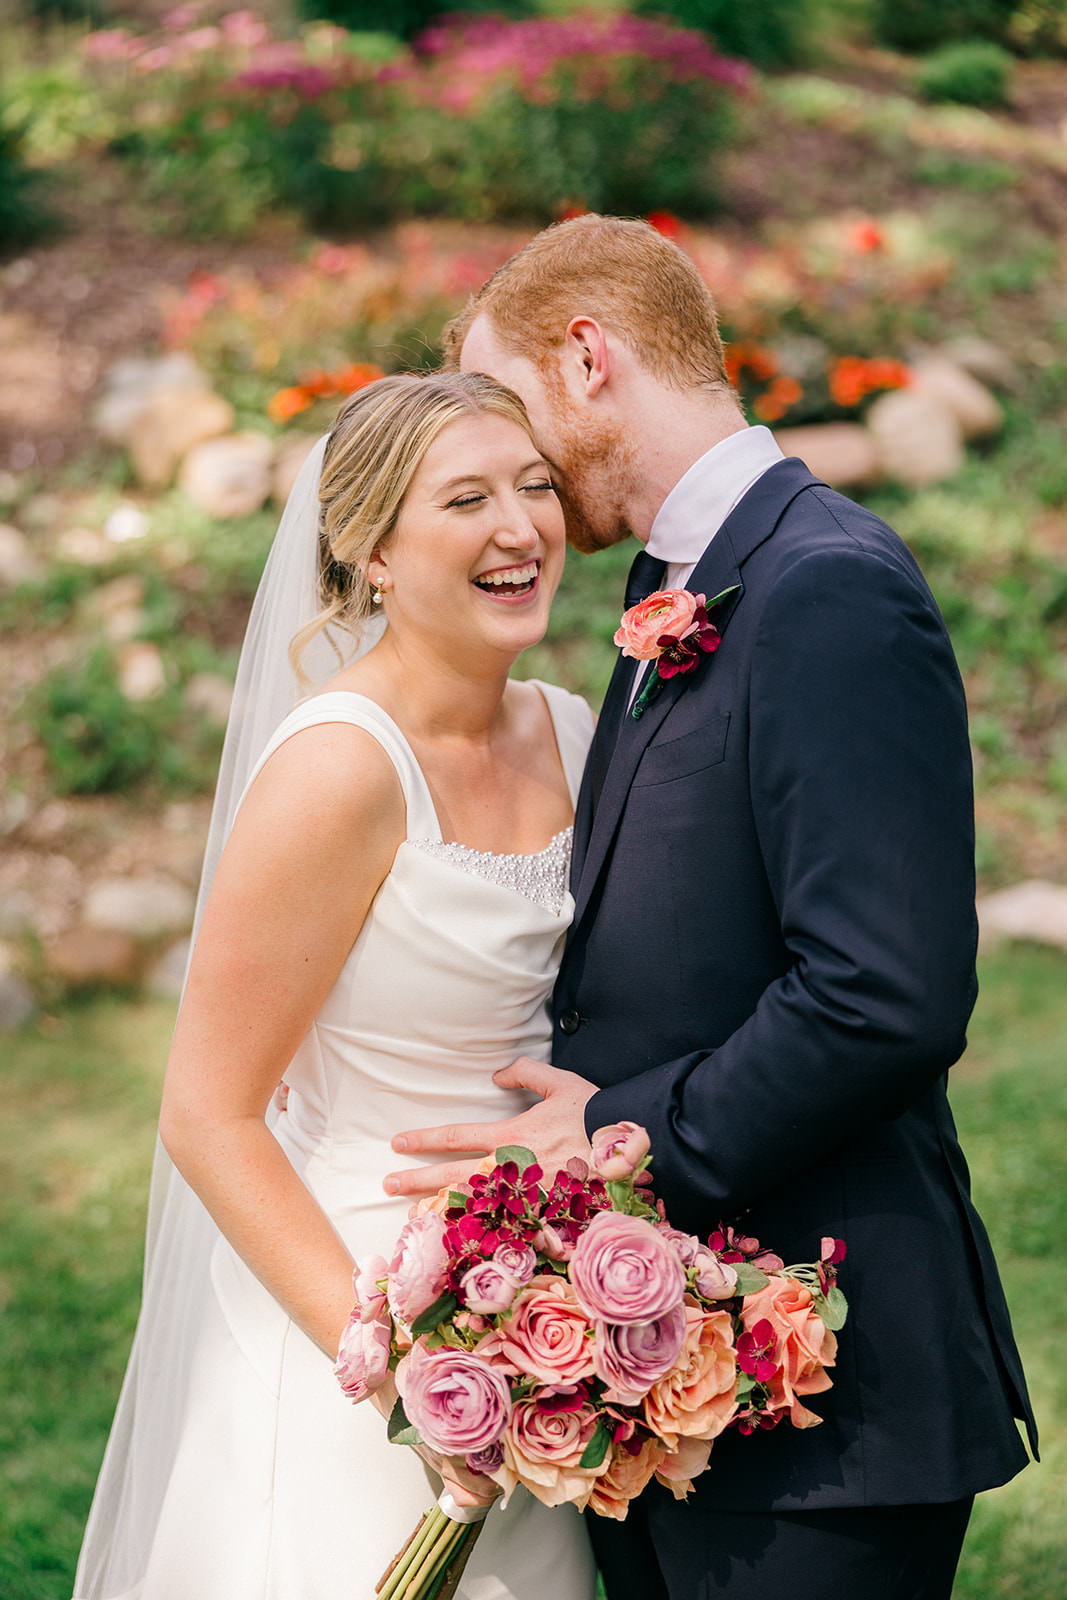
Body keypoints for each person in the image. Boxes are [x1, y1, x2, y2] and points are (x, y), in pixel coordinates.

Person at [382, 216, 1039, 1600]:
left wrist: (623, 1135)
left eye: (517, 409)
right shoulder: (667, 588)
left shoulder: (826, 590)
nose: (522, 473)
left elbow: (883, 994)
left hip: (831, 1398)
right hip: (680, 1381)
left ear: (587, 357)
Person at [72, 371, 599, 1600]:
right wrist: (401, 1369)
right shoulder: (338, 770)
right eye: (463, 497)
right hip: (352, 1308)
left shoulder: (575, 732)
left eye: (532, 487)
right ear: (369, 552)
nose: (518, 528)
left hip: (541, 1313)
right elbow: (208, 1111)